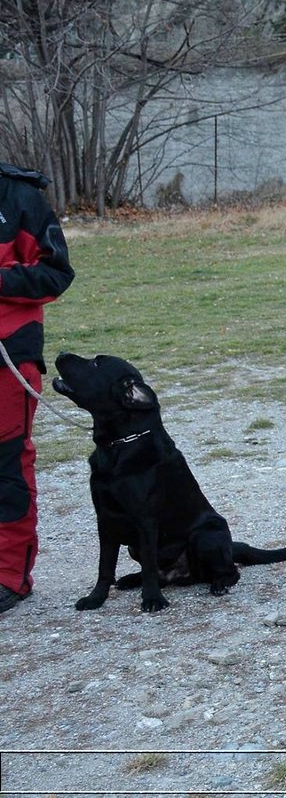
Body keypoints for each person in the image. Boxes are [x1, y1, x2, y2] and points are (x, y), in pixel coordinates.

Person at [0, 164, 73, 614]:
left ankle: (9, 577)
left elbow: (55, 273)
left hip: (9, 355)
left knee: (6, 467)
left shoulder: (19, 198)